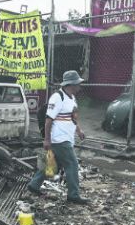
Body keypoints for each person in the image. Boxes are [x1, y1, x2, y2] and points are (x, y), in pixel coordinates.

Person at [28, 70, 89, 204]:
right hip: (60, 139)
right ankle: (73, 195)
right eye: (78, 84)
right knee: (72, 164)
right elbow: (48, 120)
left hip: (67, 138)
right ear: (71, 84)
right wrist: (47, 139)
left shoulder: (72, 98)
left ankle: (34, 185)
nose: (79, 87)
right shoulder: (57, 97)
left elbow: (72, 117)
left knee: (53, 164)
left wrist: (78, 130)